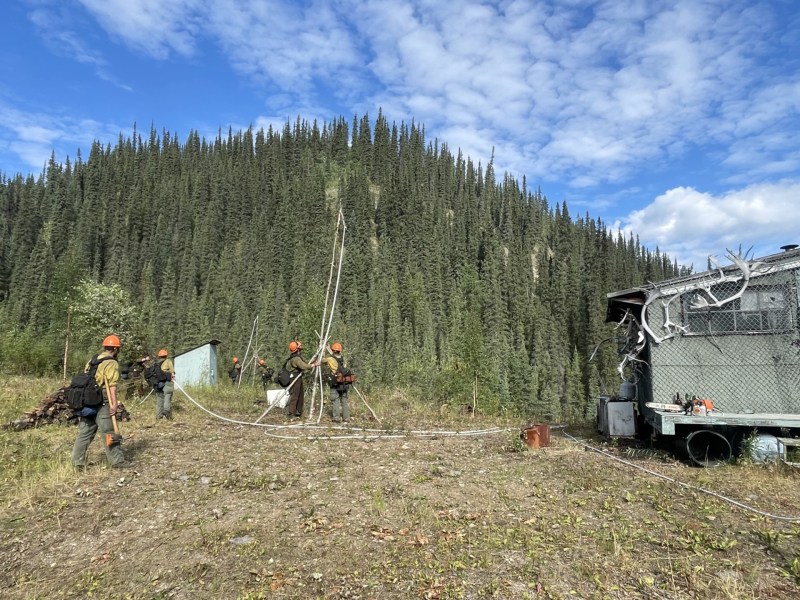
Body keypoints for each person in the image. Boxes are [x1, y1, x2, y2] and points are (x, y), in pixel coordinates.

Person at [71, 334, 133, 470]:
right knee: (109, 431)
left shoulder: (92, 361)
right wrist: (114, 404)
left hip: (87, 399)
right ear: (116, 349)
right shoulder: (111, 363)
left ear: (105, 347)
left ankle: (77, 462)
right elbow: (111, 385)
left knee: (85, 432)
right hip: (102, 400)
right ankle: (117, 461)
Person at [283, 340, 318, 419]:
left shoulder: (295, 358)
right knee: (295, 395)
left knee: (300, 395)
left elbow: (304, 364)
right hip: (295, 377)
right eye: (300, 349)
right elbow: (304, 367)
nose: (301, 350)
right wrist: (314, 365)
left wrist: (312, 362)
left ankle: (298, 412)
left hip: (297, 376)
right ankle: (291, 413)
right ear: (297, 349)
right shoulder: (296, 359)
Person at [323, 342, 351, 423]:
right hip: (344, 382)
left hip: (335, 383)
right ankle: (346, 418)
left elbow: (322, 360)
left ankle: (336, 418)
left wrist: (324, 351)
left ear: (333, 351)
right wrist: (329, 349)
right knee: (344, 400)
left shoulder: (330, 359)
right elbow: (336, 359)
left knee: (335, 400)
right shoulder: (343, 359)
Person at [154, 348, 175, 419]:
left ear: (159, 356)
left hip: (158, 383)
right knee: (167, 396)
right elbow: (172, 371)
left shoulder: (156, 363)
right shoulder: (168, 361)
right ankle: (166, 412)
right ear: (166, 355)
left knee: (159, 399)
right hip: (167, 382)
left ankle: (158, 416)